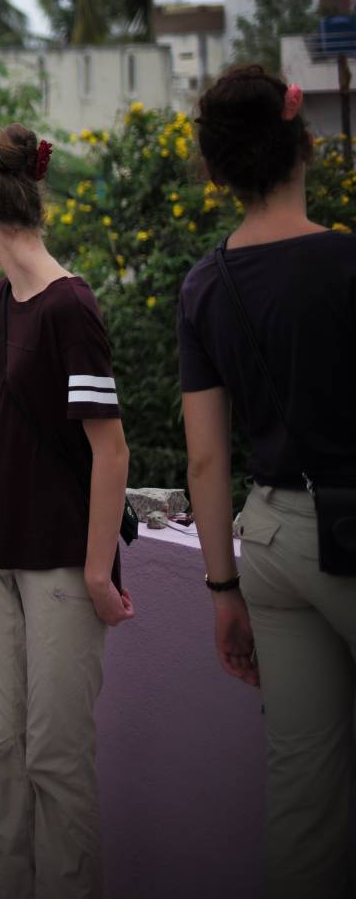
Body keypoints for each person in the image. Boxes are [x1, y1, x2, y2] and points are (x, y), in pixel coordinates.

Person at [0, 125, 132, 899]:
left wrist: (95, 568)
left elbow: (111, 450)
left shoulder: (69, 307)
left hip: (61, 566)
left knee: (55, 755)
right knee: (5, 750)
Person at [177, 67, 356, 897]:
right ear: (304, 145)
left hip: (274, 542)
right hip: (347, 531)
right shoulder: (344, 263)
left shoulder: (207, 283)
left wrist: (223, 587)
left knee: (303, 783)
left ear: (217, 174)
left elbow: (207, 457)